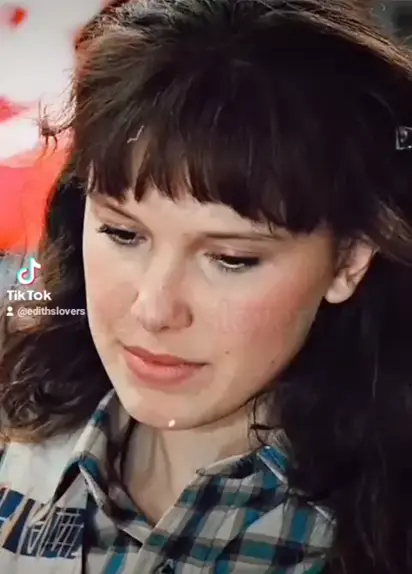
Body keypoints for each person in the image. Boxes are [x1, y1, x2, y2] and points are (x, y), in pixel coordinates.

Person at [1, 0, 412, 572]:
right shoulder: (18, 431)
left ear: (348, 260)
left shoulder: (379, 533)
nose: (153, 309)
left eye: (230, 259)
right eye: (122, 233)